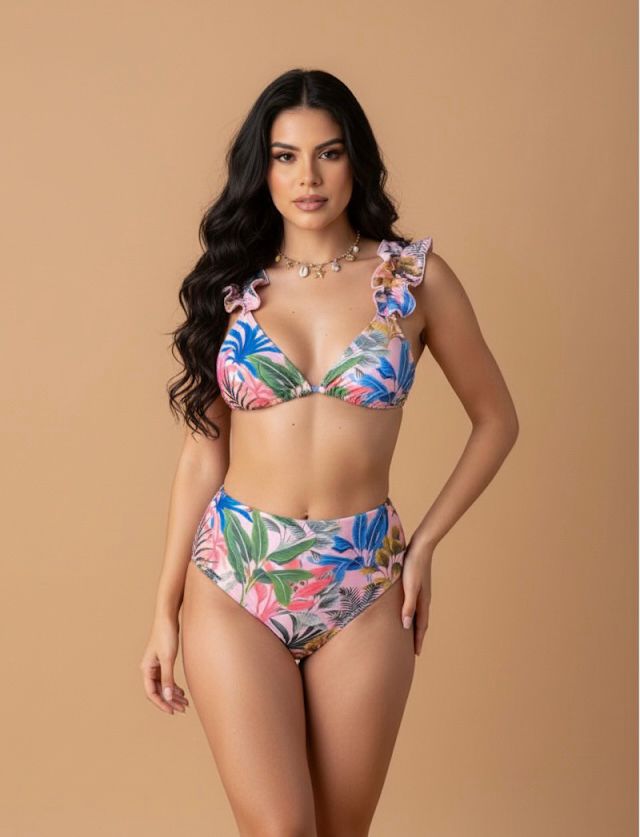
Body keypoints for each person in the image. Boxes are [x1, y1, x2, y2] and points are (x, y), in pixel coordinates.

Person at [140, 68, 519, 837]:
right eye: (285, 157)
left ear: (357, 161)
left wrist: (425, 545)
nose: (307, 177)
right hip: (236, 572)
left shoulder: (415, 280)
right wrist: (163, 611)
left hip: (365, 578)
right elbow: (202, 455)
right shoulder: (231, 287)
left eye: (328, 153)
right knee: (282, 828)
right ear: (262, 169)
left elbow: (496, 420)